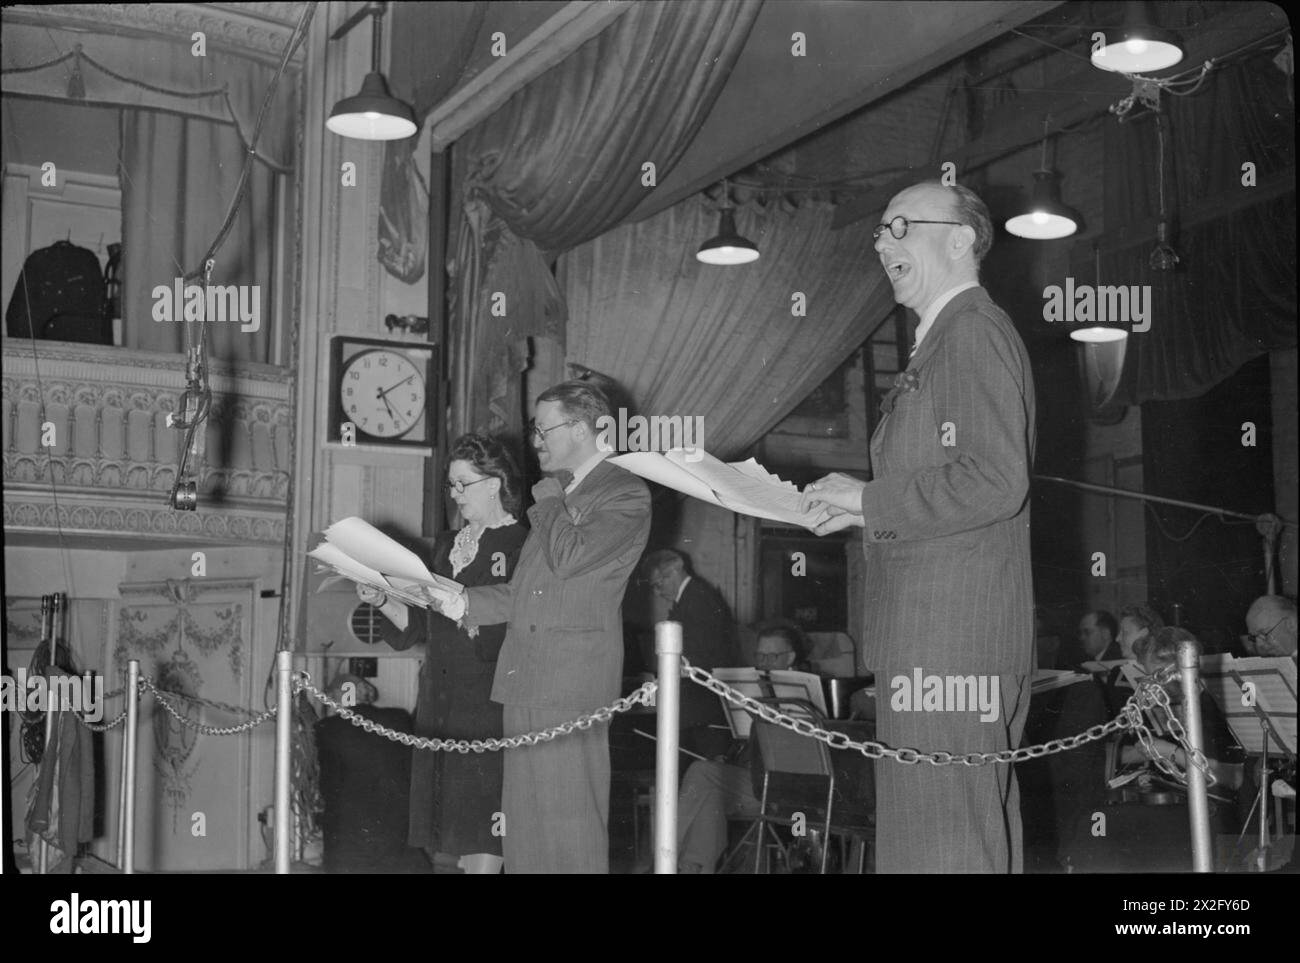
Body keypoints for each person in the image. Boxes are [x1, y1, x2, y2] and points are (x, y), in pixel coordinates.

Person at [800, 180, 1036, 873]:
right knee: (944, 834)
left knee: (945, 841)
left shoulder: (972, 330)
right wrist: (855, 506)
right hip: (933, 636)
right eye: (878, 230)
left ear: (960, 241)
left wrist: (869, 500)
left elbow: (997, 479)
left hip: (952, 638)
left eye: (900, 226)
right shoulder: (942, 340)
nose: (881, 241)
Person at [430, 379, 651, 873]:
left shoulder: (623, 492)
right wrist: (462, 600)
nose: (535, 440)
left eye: (542, 428)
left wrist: (548, 499)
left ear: (580, 427)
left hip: (570, 685)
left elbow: (571, 558)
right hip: (524, 679)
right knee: (525, 830)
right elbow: (526, 591)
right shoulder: (563, 495)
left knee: (570, 826)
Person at [361, 433, 527, 874]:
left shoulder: (520, 543)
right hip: (439, 699)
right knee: (449, 832)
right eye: (450, 485)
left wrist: (459, 609)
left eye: (463, 484)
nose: (454, 495)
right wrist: (383, 599)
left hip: (486, 701)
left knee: (482, 823)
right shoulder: (446, 544)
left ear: (494, 484)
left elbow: (514, 628)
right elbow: (419, 628)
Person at [676, 624, 813, 874]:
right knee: (709, 794)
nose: (764, 662)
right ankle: (690, 868)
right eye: (760, 656)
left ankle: (664, 858)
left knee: (702, 774)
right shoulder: (754, 686)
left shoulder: (809, 692)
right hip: (757, 783)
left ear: (791, 657)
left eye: (772, 657)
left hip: (793, 791)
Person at [315, 674, 425, 873]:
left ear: (335, 698)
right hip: (397, 821)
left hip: (350, 828)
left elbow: (328, 786)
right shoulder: (399, 718)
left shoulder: (327, 729)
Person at [641, 548, 738, 759]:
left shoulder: (698, 598)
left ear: (675, 570)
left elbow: (700, 655)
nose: (657, 593)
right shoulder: (692, 597)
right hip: (700, 705)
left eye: (659, 584)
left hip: (703, 709)